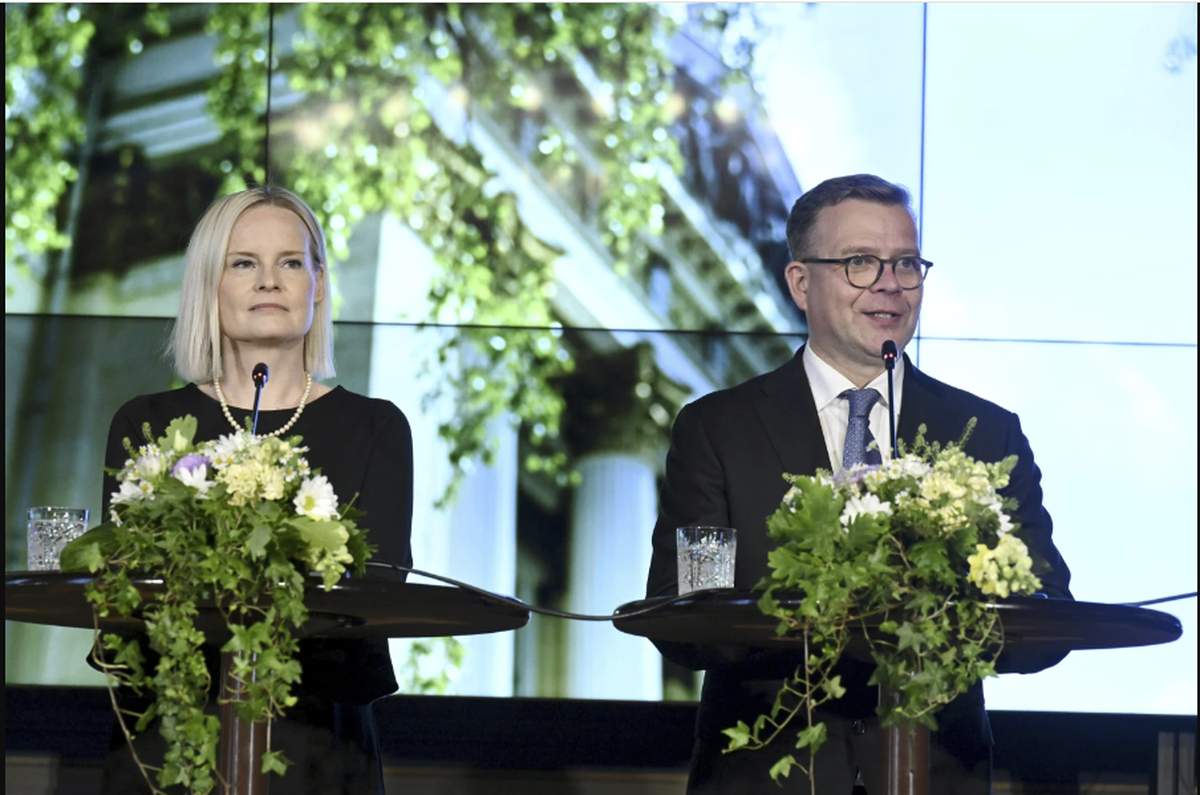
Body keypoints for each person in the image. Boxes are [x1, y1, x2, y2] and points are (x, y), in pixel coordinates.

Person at [646, 174, 1073, 794]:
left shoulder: (985, 434)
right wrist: (833, 616)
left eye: (906, 263)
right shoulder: (719, 429)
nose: (890, 285)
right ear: (800, 282)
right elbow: (690, 614)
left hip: (933, 775)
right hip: (768, 777)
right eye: (860, 264)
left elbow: (1045, 618)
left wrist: (934, 625)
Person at [97, 185, 414, 795]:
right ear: (209, 284)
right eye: (244, 263)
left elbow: (378, 585)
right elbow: (128, 589)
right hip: (171, 735)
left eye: (290, 262)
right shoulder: (144, 423)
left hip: (319, 743)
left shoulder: (376, 428)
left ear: (317, 283)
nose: (269, 281)